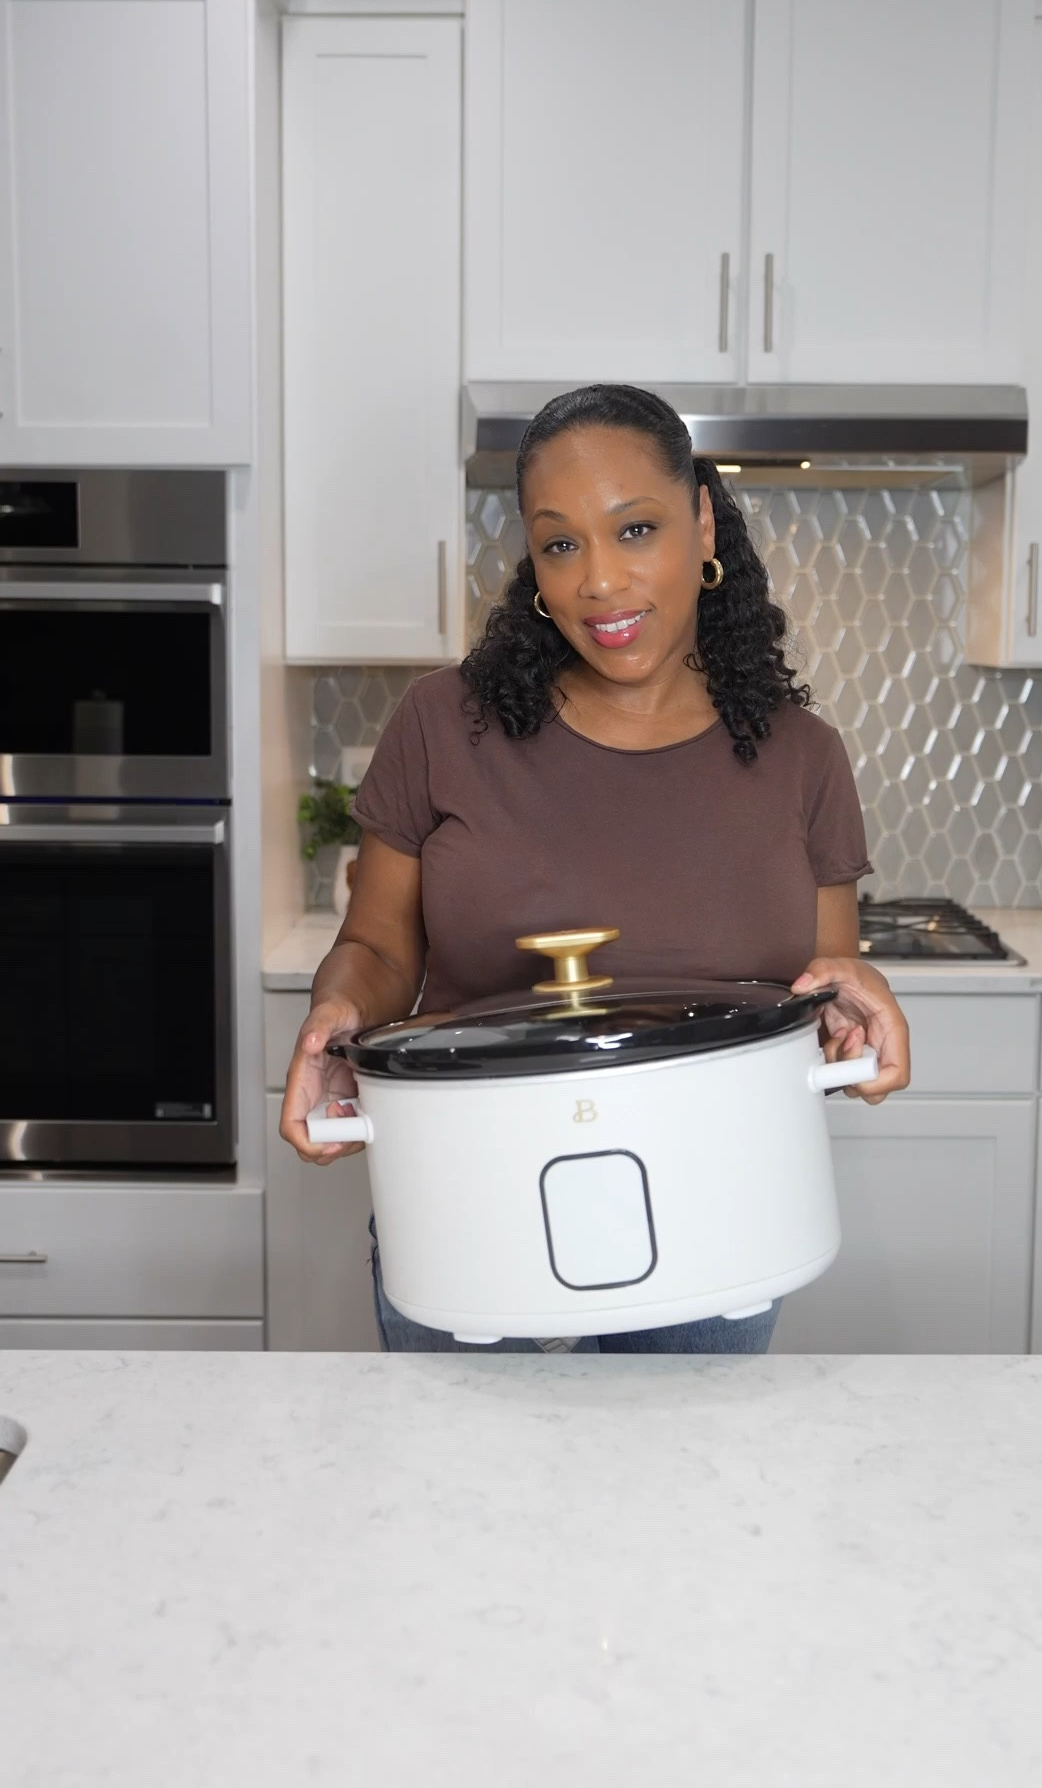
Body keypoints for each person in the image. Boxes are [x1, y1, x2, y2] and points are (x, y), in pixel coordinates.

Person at [280, 383, 911, 1353]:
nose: (600, 582)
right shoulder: (443, 726)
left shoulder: (802, 758)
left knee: (682, 1458)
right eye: (561, 544)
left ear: (703, 522)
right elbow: (378, 948)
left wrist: (852, 1009)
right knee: (453, 1454)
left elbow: (820, 993)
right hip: (463, 1196)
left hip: (720, 1211)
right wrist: (338, 1013)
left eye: (636, 530)